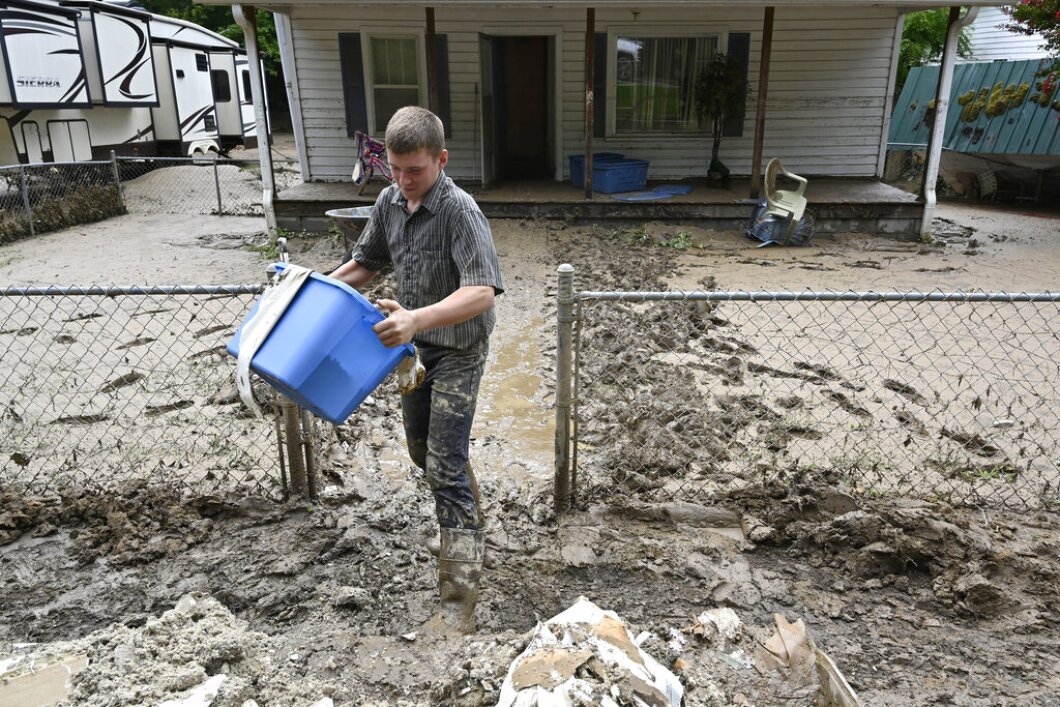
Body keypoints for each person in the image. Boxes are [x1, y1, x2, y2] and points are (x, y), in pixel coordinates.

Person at [329, 106, 504, 635]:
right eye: (397, 170)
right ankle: (469, 522)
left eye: (416, 171)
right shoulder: (388, 202)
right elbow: (366, 263)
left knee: (446, 464)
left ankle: (458, 597)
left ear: (441, 160)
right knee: (422, 454)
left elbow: (482, 291)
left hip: (457, 349)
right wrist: (311, 292)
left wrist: (415, 320)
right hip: (412, 352)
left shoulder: (460, 210)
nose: (405, 181)